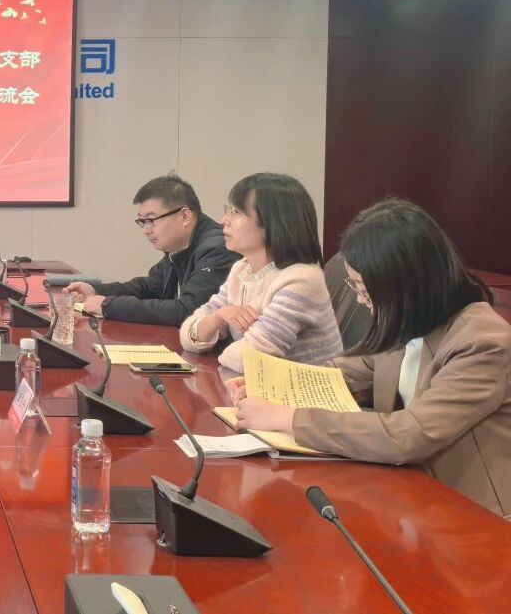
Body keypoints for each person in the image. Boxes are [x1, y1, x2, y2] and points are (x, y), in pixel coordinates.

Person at [229, 200, 511, 517]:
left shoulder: (483, 343)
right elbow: (341, 374)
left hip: (474, 516)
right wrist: (271, 387)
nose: (362, 301)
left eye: (364, 289)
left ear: (404, 284)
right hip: (408, 491)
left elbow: (409, 434)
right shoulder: (408, 321)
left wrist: (288, 418)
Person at [178, 173, 342, 372]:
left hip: (307, 390)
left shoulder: (302, 280)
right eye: (228, 210)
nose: (223, 220)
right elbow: (188, 335)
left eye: (236, 212)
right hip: (263, 386)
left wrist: (221, 347)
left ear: (272, 223)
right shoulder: (242, 269)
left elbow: (250, 358)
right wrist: (219, 316)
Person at [65, 174, 238, 325]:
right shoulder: (179, 245)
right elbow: (149, 287)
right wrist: (98, 291)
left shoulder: (218, 248)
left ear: (185, 216)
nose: (146, 230)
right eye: (142, 222)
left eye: (151, 220)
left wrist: (108, 305)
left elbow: (189, 310)